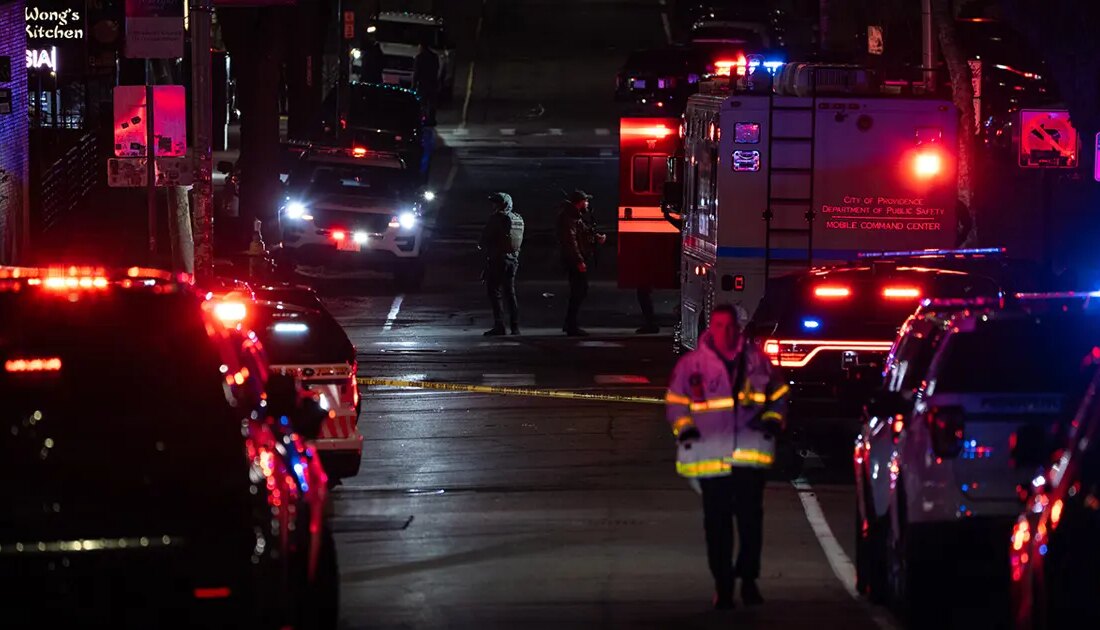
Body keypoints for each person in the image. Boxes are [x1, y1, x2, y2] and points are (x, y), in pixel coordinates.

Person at [665, 304, 789, 610]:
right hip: (710, 457)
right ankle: (723, 584)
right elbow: (676, 403)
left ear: (738, 328)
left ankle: (748, 581)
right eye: (719, 326)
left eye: (730, 326)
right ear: (711, 328)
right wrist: (685, 430)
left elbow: (780, 393)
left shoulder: (759, 362)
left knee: (750, 524)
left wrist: (774, 419)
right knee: (717, 526)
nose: (725, 332)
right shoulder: (692, 365)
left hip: (749, 456)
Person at [557, 190, 605, 336]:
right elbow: (570, 242)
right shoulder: (569, 218)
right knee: (579, 291)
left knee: (579, 291)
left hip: (576, 259)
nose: (588, 204)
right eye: (586, 201)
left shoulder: (574, 217)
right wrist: (579, 260)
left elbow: (584, 232)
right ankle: (571, 325)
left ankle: (570, 323)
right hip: (574, 260)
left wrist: (596, 237)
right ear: (580, 202)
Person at [478, 192, 524, 336]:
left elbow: (484, 239)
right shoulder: (517, 218)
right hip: (513, 260)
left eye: (496, 203)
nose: (493, 205)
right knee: (510, 293)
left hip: (498, 260)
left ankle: (499, 326)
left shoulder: (497, 219)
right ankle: (515, 327)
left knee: (494, 292)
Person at [412, 39, 440, 125]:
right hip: (432, 82)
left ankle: (422, 118)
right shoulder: (434, 57)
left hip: (423, 83)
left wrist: (413, 85)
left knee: (422, 103)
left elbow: (416, 72)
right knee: (432, 103)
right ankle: (431, 119)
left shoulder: (419, 57)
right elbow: (437, 69)